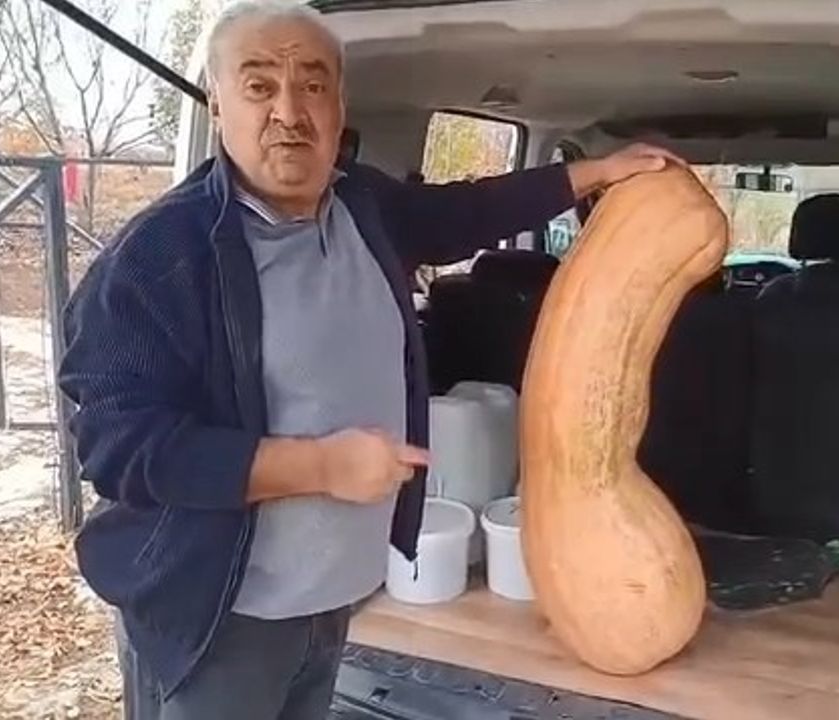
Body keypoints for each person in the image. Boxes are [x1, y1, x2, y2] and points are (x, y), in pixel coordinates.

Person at [56, 1, 683, 718]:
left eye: (312, 85)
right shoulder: (156, 258)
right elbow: (119, 447)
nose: (289, 111)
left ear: (339, 104)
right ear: (217, 103)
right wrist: (321, 467)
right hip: (220, 619)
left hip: (336, 596)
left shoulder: (361, 202)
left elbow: (466, 213)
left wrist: (599, 171)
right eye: (259, 86)